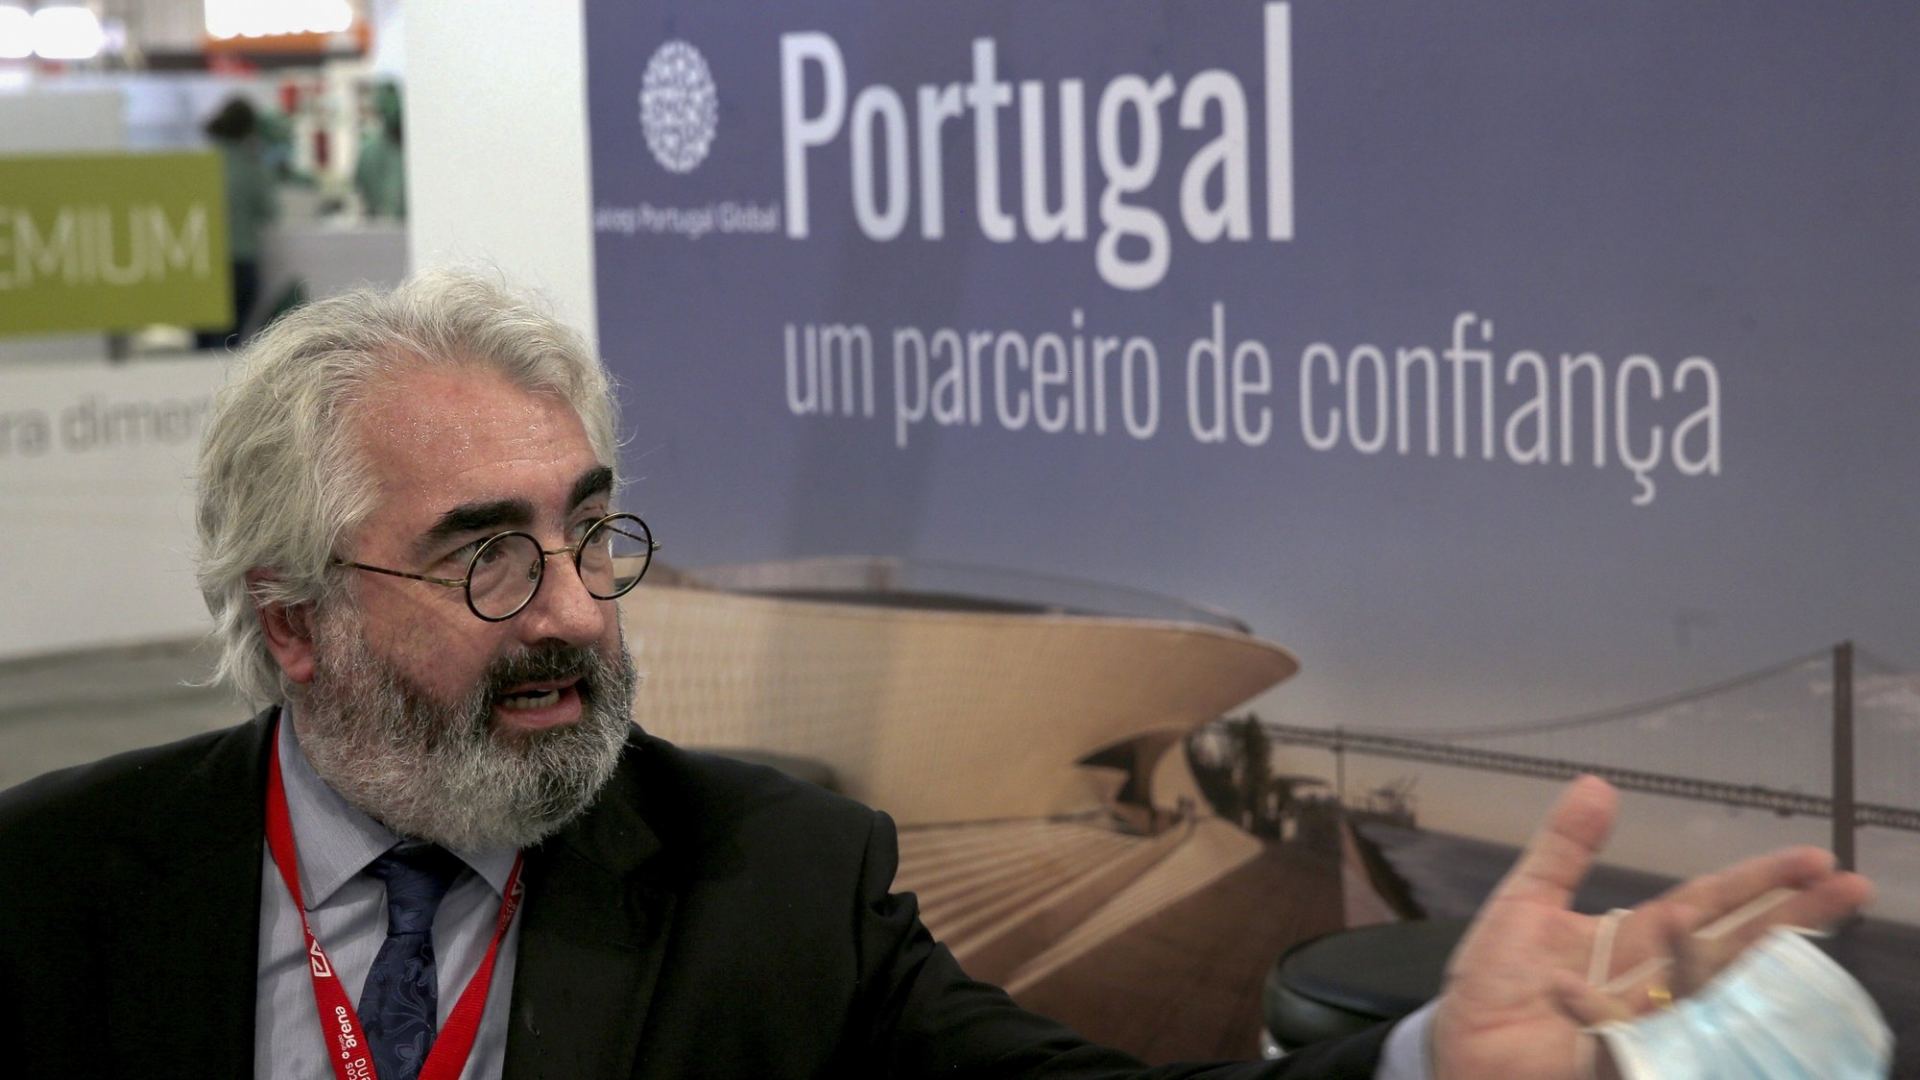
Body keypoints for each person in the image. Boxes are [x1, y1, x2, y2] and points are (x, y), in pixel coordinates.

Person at [0, 271, 1874, 1079]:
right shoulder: (55, 889)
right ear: (298, 619)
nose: (572, 610)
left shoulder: (772, 886)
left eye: (591, 533)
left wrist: (1427, 1065)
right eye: (489, 554)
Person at [196, 96, 280, 351]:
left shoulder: (202, 161)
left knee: (203, 342)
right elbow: (269, 210)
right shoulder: (249, 165)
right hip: (240, 260)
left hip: (201, 261)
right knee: (229, 343)